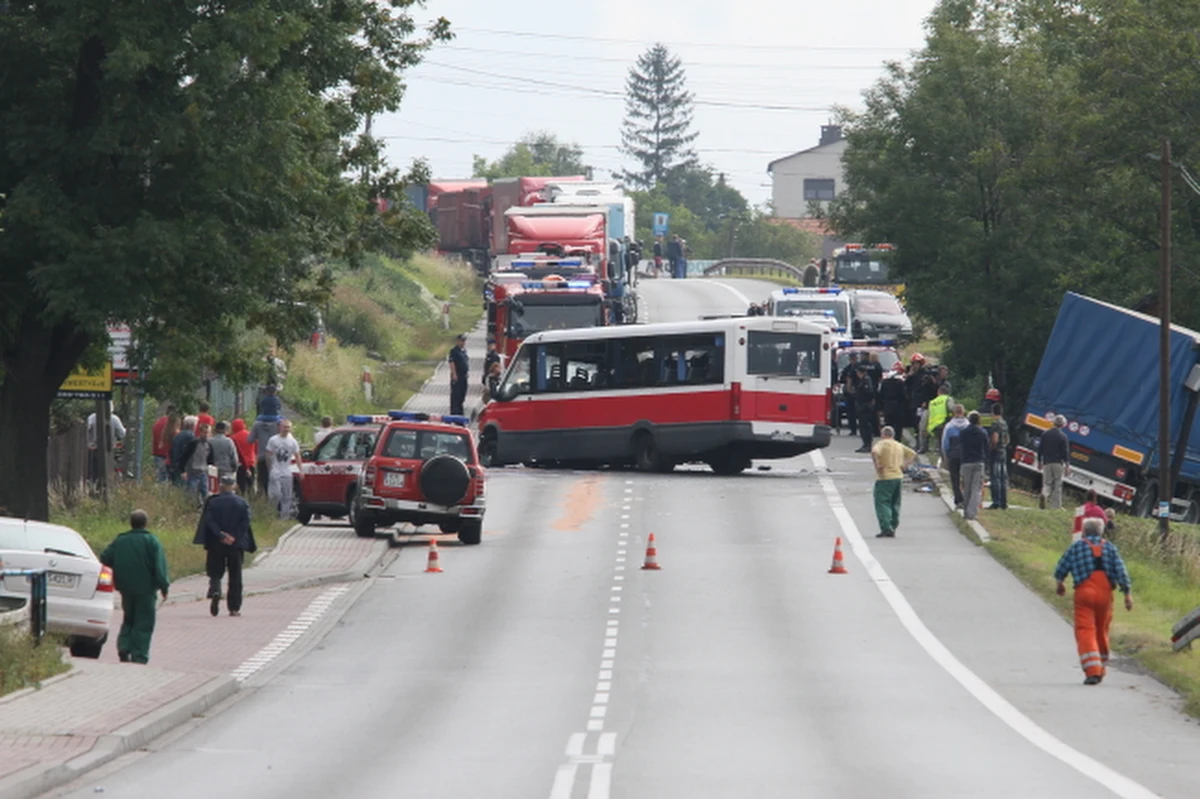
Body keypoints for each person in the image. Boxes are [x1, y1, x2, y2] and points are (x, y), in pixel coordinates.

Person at [1054, 516, 1133, 685]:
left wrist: (1060, 583)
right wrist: (1127, 594)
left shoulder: (1077, 547)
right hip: (1105, 595)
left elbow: (1061, 567)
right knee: (1102, 630)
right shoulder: (1110, 548)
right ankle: (1101, 667)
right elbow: (1121, 571)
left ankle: (1092, 671)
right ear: (1101, 531)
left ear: (1084, 531)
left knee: (1085, 630)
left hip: (1084, 593)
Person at [99, 510, 170, 664]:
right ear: (145, 523)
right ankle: (139, 655)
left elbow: (105, 557)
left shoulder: (120, 540)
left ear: (131, 523)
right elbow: (159, 567)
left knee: (129, 618)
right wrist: (164, 586)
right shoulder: (151, 541)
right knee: (144, 622)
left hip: (125, 588)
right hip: (146, 589)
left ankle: (124, 646)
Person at [196, 475, 257, 617]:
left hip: (216, 543)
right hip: (236, 544)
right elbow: (245, 522)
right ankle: (234, 607)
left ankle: (216, 589)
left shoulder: (213, 502)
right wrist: (234, 537)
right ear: (234, 486)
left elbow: (209, 521)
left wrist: (221, 535)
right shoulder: (242, 503)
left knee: (215, 571)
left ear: (221, 486)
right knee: (235, 575)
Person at [871, 426, 918, 538]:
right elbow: (912, 454)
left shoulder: (882, 444)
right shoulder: (898, 445)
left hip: (885, 477)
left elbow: (874, 451)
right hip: (898, 477)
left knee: (882, 502)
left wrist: (877, 464)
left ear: (883, 435)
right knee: (895, 502)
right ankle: (893, 525)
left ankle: (886, 527)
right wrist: (904, 465)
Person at [265, 418, 302, 519]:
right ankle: (271, 514)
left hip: (287, 471)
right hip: (275, 471)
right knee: (276, 494)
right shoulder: (273, 440)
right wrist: (270, 468)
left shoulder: (292, 441)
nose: (287, 429)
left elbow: (297, 455)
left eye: (288, 427)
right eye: (285, 427)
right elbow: (268, 454)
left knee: (287, 496)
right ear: (280, 427)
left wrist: (300, 470)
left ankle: (284, 517)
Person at [959, 411, 991, 520]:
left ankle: (966, 512)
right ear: (978, 420)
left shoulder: (963, 432)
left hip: (966, 462)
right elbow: (987, 448)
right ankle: (972, 513)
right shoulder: (983, 433)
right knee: (976, 488)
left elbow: (961, 445)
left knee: (966, 487)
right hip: (979, 462)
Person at [1038, 414, 1071, 509]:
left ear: (1053, 422)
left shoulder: (1045, 434)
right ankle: (1056, 506)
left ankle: (1044, 494)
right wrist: (1067, 465)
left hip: (1047, 462)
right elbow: (1065, 452)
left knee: (1047, 483)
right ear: (1063, 425)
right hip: (1058, 463)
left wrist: (1039, 461)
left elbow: (1040, 449)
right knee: (1057, 484)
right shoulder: (1063, 437)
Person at [86, 410, 127, 482]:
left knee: (93, 469)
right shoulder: (114, 419)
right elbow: (122, 434)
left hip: (93, 448)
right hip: (109, 448)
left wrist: (89, 442)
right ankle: (110, 480)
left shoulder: (92, 417)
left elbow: (87, 430)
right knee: (110, 466)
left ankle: (93, 481)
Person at [941, 404, 969, 507]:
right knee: (966, 478)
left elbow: (945, 444)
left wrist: (945, 456)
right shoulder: (968, 425)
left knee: (955, 478)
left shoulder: (949, 426)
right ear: (963, 412)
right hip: (966, 455)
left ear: (953, 413)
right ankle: (966, 498)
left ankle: (958, 499)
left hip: (953, 455)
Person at [178, 422, 212, 499]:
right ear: (200, 432)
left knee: (205, 492)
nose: (206, 435)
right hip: (192, 472)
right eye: (204, 433)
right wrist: (183, 471)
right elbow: (184, 457)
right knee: (191, 493)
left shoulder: (209, 445)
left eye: (208, 433)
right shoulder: (194, 443)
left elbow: (210, 459)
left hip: (203, 472)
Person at [987, 402, 1010, 509]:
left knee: (995, 477)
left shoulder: (995, 424)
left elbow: (995, 439)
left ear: (992, 412)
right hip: (1003, 452)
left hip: (996, 452)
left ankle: (996, 501)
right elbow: (1007, 439)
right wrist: (1003, 446)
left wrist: (991, 448)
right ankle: (1004, 502)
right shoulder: (1004, 423)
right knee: (1003, 477)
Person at [851, 361, 877, 453]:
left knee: (865, 427)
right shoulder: (863, 380)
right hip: (862, 406)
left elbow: (869, 392)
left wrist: (861, 397)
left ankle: (867, 444)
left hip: (865, 406)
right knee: (862, 426)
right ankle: (865, 444)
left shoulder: (866, 380)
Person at [230, 418, 256, 496]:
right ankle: (252, 499)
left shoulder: (233, 438)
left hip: (240, 464)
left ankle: (241, 498)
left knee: (241, 486)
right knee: (251, 484)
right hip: (251, 462)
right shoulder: (250, 435)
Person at [926, 383, 953, 458]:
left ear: (939, 392)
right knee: (947, 444)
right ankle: (946, 460)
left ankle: (942, 459)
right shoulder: (948, 399)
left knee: (940, 443)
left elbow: (929, 414)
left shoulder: (932, 402)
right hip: (945, 423)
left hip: (934, 426)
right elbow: (952, 409)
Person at [150, 407, 175, 483]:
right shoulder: (171, 424)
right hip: (168, 454)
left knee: (160, 476)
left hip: (158, 453)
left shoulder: (158, 423)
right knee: (169, 478)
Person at [448, 332, 470, 416]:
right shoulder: (454, 351)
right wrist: (454, 374)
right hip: (457, 376)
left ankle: (460, 414)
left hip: (464, 376)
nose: (463, 342)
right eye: (461, 341)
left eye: (464, 341)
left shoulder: (463, 351)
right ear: (457, 341)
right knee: (456, 397)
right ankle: (455, 414)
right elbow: (452, 362)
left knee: (462, 396)